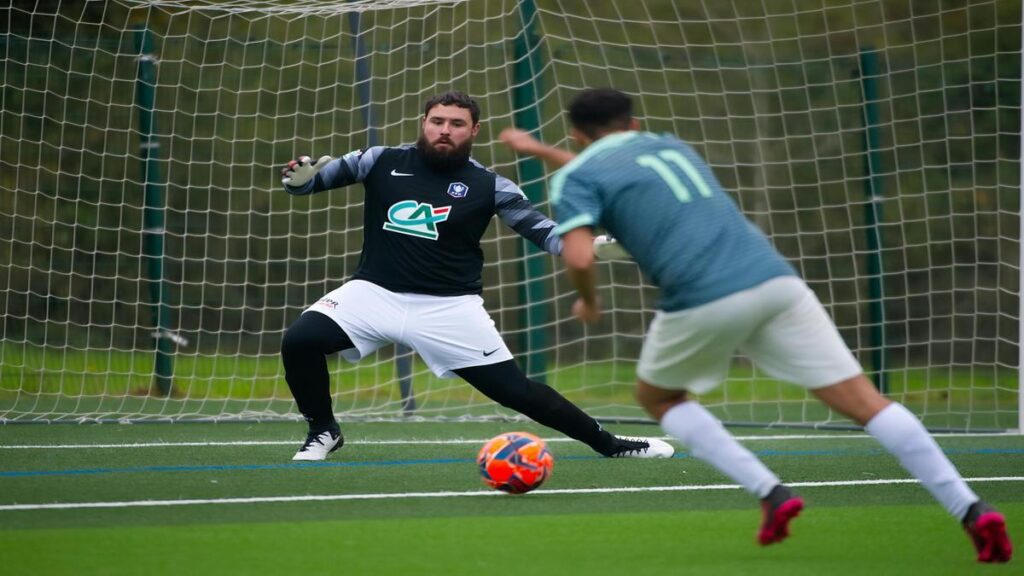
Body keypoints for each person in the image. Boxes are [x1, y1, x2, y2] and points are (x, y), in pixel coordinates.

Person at [499, 88, 1012, 562]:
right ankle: (971, 509)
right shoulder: (668, 145)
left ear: (576, 134)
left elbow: (582, 256)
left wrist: (588, 303)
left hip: (701, 295)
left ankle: (770, 492)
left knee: (659, 399)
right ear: (634, 122)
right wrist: (540, 150)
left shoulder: (575, 178)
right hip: (775, 280)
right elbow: (617, 173)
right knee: (866, 404)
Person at [278, 91, 674, 463]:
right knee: (300, 341)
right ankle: (323, 430)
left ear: (474, 130)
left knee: (516, 392)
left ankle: (611, 445)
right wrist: (298, 179)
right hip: (373, 292)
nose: (444, 130)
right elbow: (310, 182)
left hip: (449, 306)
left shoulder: (491, 185)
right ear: (424, 123)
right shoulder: (378, 159)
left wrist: (596, 244)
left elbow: (546, 233)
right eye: (437, 121)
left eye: (456, 123)